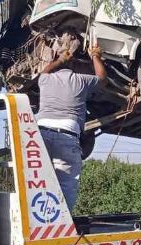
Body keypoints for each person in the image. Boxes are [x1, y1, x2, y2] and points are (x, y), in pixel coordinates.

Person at [36, 29, 107, 210]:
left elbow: (45, 71)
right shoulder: (80, 80)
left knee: (39, 182)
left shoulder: (44, 80)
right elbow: (102, 79)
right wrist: (95, 56)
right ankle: (62, 223)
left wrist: (60, 60)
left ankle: (40, 219)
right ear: (76, 67)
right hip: (66, 137)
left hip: (40, 137)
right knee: (66, 184)